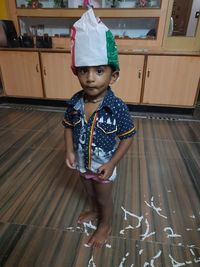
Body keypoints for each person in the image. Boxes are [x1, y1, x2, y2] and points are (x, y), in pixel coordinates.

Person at [62, 8, 136, 248]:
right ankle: (94, 210)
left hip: (104, 166)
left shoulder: (117, 107)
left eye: (99, 70)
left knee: (104, 197)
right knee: (89, 190)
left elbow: (127, 137)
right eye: (84, 70)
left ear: (113, 76)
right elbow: (67, 125)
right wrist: (70, 151)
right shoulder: (75, 101)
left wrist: (112, 163)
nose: (90, 78)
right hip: (83, 162)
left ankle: (105, 223)